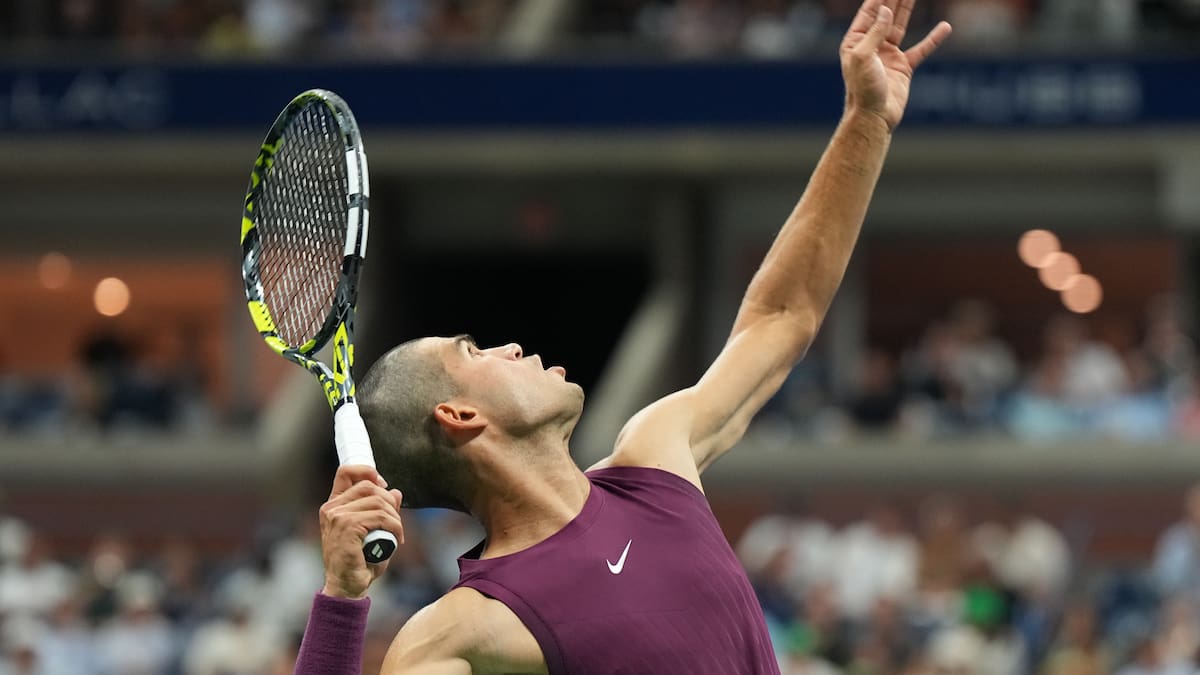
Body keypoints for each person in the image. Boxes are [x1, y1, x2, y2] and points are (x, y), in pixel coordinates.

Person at [294, 1, 952, 673]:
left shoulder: (654, 460)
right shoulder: (463, 631)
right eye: (474, 351)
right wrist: (343, 596)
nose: (510, 346)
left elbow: (783, 315)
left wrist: (866, 119)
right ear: (459, 415)